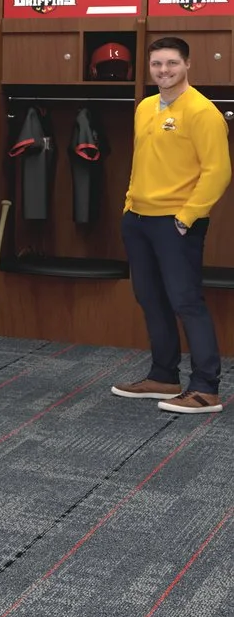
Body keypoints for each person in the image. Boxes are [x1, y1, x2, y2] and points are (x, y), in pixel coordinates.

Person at [112, 36, 230, 414]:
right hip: (139, 220)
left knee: (185, 300)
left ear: (187, 65)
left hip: (176, 224)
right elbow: (141, 162)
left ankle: (205, 388)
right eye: (157, 64)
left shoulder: (202, 111)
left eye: (172, 64)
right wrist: (130, 206)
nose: (164, 71)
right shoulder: (145, 107)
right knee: (149, 297)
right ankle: (163, 375)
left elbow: (218, 171)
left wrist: (187, 216)